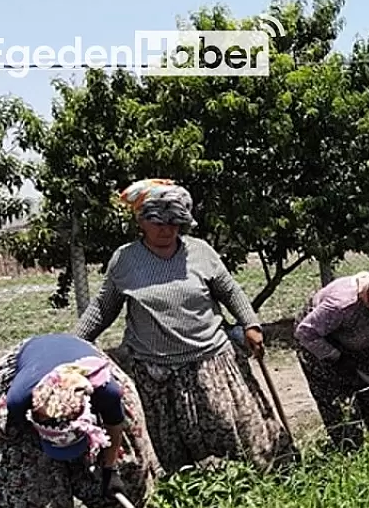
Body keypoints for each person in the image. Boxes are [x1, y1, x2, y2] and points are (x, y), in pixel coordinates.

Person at [74, 178, 295, 475]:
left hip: (211, 363)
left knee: (236, 432)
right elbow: (102, 308)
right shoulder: (125, 260)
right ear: (141, 221)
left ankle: (261, 481)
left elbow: (230, 291)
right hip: (156, 373)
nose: (167, 230)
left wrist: (250, 323)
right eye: (159, 223)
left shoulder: (200, 252)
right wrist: (72, 345)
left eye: (175, 223)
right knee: (173, 447)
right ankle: (191, 498)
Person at [0, 333, 160, 508]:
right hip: (27, 372)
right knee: (26, 477)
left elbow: (115, 425)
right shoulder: (18, 401)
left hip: (82, 365)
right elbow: (18, 438)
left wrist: (110, 470)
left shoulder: (106, 391)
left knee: (128, 470)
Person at [295, 265, 369, 450]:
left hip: (365, 349)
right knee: (345, 417)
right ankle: (352, 455)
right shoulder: (342, 304)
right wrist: (335, 357)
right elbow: (305, 333)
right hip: (323, 349)